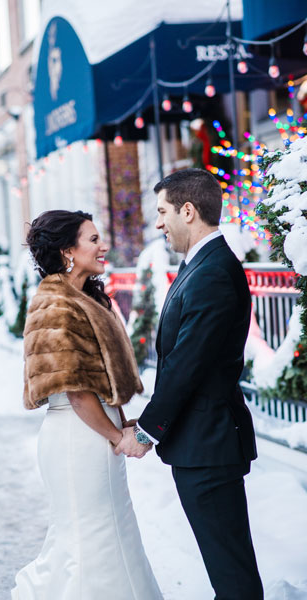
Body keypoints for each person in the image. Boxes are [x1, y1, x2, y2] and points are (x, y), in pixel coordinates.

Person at [116, 169, 264, 600]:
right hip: (201, 441)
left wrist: (146, 431)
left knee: (231, 573)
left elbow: (187, 363)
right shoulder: (200, 264)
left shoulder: (214, 271)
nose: (158, 223)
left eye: (162, 212)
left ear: (188, 210)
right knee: (227, 567)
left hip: (210, 443)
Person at [11, 210, 163, 600]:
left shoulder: (88, 297)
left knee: (111, 533)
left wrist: (122, 422)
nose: (104, 245)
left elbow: (102, 377)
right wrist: (118, 437)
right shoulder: (55, 304)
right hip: (78, 437)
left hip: (96, 432)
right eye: (93, 239)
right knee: (91, 539)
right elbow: (77, 391)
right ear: (67, 251)